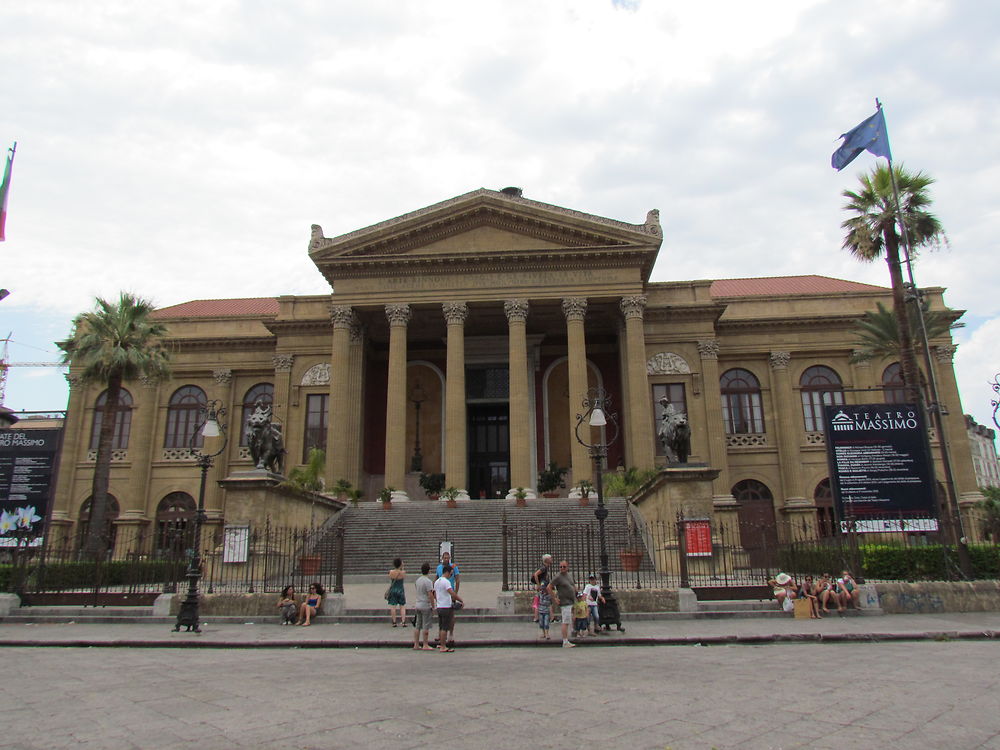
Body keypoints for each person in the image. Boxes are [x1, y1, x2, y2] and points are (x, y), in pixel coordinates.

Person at [547, 559, 578, 647]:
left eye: (564, 567)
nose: (562, 568)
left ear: (567, 567)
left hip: (572, 600)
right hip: (565, 602)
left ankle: (572, 634)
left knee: (571, 619)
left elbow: (573, 585)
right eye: (560, 567)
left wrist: (576, 592)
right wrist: (555, 598)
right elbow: (549, 587)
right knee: (565, 621)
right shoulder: (558, 577)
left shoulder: (569, 575)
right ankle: (565, 641)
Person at [433, 563, 463, 652]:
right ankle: (443, 646)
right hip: (445, 606)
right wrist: (460, 600)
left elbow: (434, 594)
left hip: (439, 606)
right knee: (445, 627)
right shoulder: (446, 582)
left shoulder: (437, 582)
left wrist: (438, 600)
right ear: (447, 572)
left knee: (441, 626)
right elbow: (452, 593)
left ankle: (440, 643)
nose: (451, 575)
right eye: (451, 573)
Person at [436, 551, 460, 644]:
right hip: (441, 594)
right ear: (442, 558)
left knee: (451, 615)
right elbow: (437, 578)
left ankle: (451, 634)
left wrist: (456, 592)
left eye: (448, 558)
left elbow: (457, 580)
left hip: (450, 592)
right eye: (445, 558)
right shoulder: (439, 568)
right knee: (442, 616)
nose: (446, 559)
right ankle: (441, 635)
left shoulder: (454, 567)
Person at [412, 562, 435, 650]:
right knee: (426, 625)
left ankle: (416, 644)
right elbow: (430, 594)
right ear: (429, 571)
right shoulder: (428, 581)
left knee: (417, 625)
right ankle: (425, 644)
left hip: (418, 604)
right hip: (425, 604)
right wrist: (433, 606)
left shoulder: (418, 580)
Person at [532, 554, 553, 623]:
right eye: (550, 558)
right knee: (545, 601)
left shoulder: (545, 567)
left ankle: (539, 617)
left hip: (544, 585)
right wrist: (538, 585)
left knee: (542, 601)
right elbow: (536, 574)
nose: (551, 559)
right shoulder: (544, 568)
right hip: (543, 586)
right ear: (547, 560)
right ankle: (550, 617)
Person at [387, 557, 407, 626]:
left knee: (393, 606)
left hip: (393, 590)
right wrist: (402, 568)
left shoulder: (391, 572)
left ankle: (394, 622)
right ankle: (403, 621)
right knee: (402, 606)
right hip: (401, 590)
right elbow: (404, 576)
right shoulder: (403, 572)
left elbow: (390, 577)